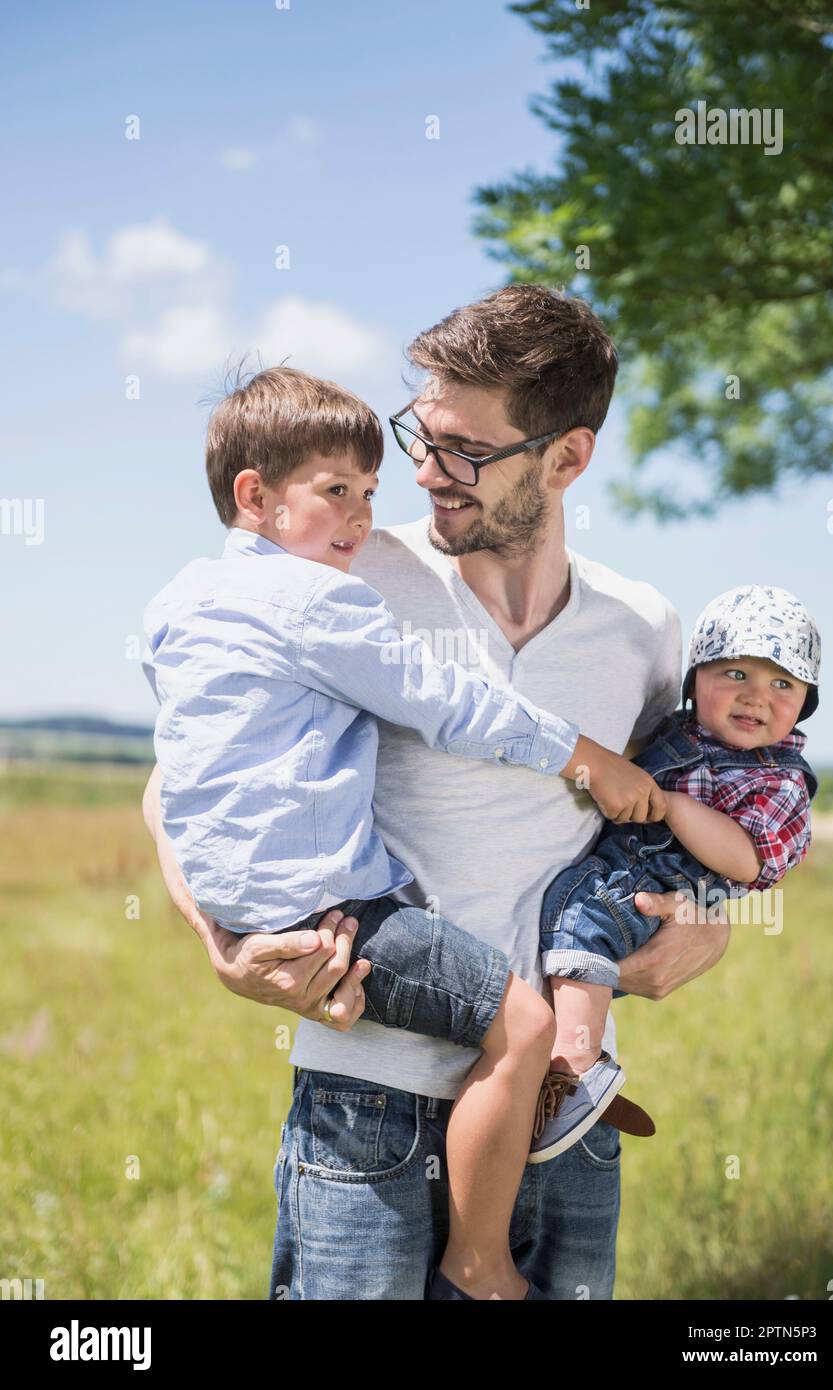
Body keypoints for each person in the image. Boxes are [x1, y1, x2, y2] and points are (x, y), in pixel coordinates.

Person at [142, 284, 732, 1300]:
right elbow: (176, 780)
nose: (420, 472)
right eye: (423, 432)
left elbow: (677, 813)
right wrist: (224, 945)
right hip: (366, 1101)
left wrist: (713, 917)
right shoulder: (337, 570)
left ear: (566, 459)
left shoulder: (643, 625)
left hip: (563, 1115)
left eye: (464, 449)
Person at [532, 585, 820, 1159]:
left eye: (781, 684)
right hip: (624, 868)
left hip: (659, 888)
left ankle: (575, 1066)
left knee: (582, 918)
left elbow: (749, 860)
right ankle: (567, 1064)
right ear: (694, 681)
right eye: (734, 674)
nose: (755, 697)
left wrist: (678, 808)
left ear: (806, 701)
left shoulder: (780, 781)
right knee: (574, 925)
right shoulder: (677, 731)